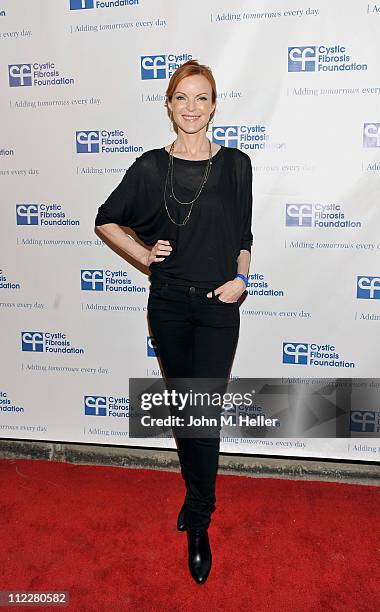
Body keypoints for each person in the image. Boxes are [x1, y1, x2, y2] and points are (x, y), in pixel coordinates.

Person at [94, 59, 253, 584]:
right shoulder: (148, 167)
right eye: (181, 97)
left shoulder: (236, 164)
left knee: (201, 413)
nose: (191, 107)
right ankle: (196, 495)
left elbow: (243, 236)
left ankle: (200, 521)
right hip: (167, 304)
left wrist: (241, 279)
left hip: (216, 306)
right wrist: (144, 256)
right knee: (186, 410)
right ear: (168, 105)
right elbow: (106, 220)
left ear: (214, 104)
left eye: (201, 97)